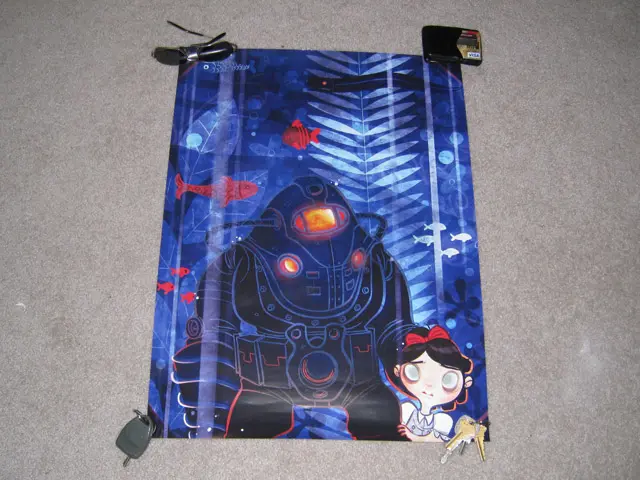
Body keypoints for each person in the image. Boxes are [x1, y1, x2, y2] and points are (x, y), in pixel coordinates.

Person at [388, 326, 473, 442]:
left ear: (466, 383)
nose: (429, 385)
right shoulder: (406, 409)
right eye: (413, 372)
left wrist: (413, 437)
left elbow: (440, 442)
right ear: (398, 370)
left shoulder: (443, 420)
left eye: (448, 380)